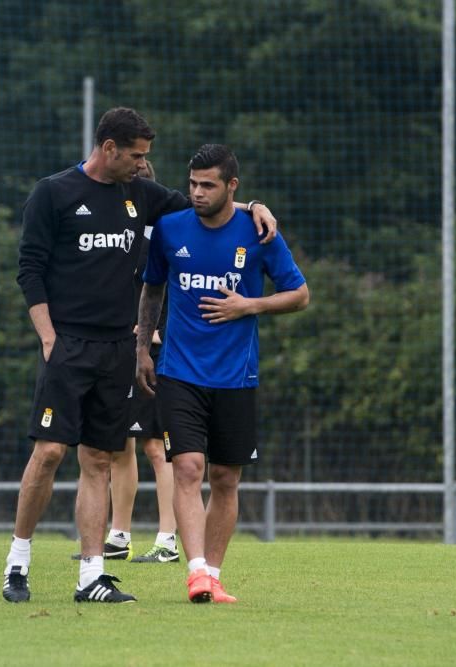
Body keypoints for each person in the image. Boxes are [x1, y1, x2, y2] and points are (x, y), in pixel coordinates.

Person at [5, 108, 277, 603]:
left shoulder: (141, 196)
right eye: (136, 155)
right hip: (67, 344)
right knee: (47, 454)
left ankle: (91, 575)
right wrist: (47, 337)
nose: (143, 165)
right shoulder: (54, 193)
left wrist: (255, 204)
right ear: (110, 149)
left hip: (118, 350)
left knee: (98, 461)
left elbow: (210, 208)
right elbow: (30, 269)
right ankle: (17, 562)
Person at [136, 144, 309, 603]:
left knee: (226, 478)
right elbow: (153, 289)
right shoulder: (171, 229)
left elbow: (299, 294)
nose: (197, 192)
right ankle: (195, 572)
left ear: (232, 186)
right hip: (180, 372)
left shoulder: (258, 233)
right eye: (192, 183)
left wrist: (249, 305)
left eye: (208, 185)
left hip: (236, 376)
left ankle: (213, 574)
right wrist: (141, 349)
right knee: (188, 467)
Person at [71, 160, 180, 564]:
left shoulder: (159, 234)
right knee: (120, 447)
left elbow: (161, 290)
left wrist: (154, 333)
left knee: (156, 446)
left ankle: (168, 540)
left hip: (152, 350)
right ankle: (119, 535)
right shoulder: (120, 235)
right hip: (122, 347)